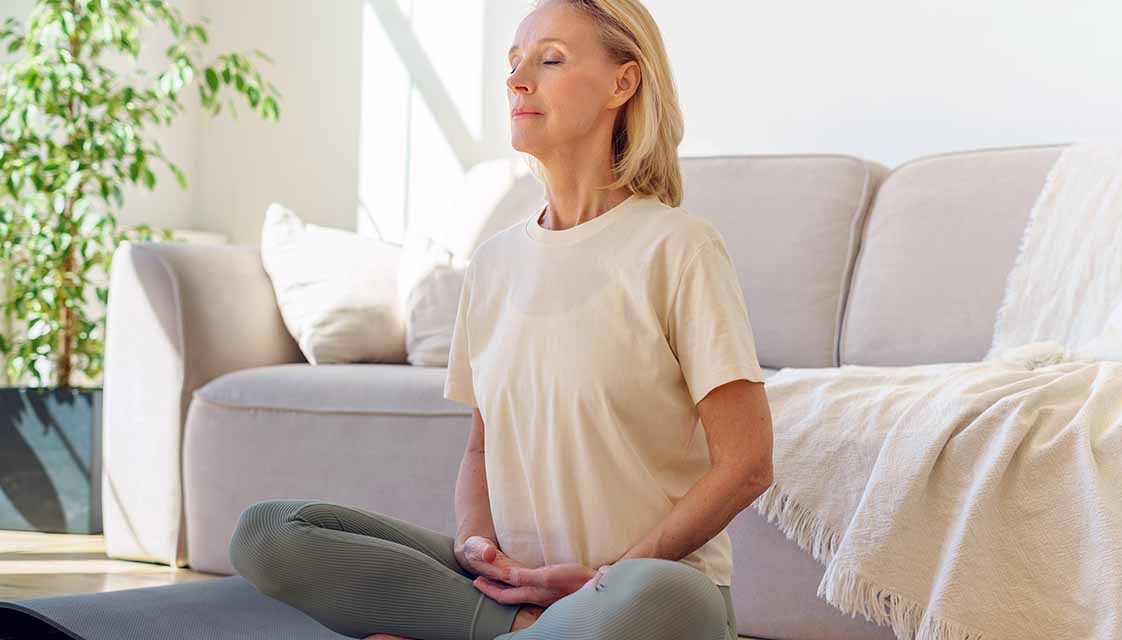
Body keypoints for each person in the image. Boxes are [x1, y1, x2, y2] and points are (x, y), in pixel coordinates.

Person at [227, 1, 774, 638]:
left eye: (550, 60)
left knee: (653, 595)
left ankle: (507, 625)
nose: (517, 81)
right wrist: (478, 550)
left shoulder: (679, 248)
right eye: (513, 64)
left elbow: (748, 462)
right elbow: (481, 448)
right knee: (268, 534)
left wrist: (606, 573)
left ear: (623, 83)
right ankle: (521, 626)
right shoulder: (493, 265)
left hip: (643, 593)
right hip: (515, 589)